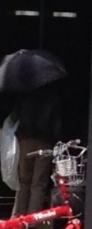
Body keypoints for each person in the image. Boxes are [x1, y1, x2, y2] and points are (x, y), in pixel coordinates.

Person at [10, 82, 62, 215]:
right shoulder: (53, 98)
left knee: (23, 182)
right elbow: (56, 126)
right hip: (44, 142)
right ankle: (32, 221)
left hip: (25, 140)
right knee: (38, 184)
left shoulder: (24, 94)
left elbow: (14, 118)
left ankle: (17, 217)